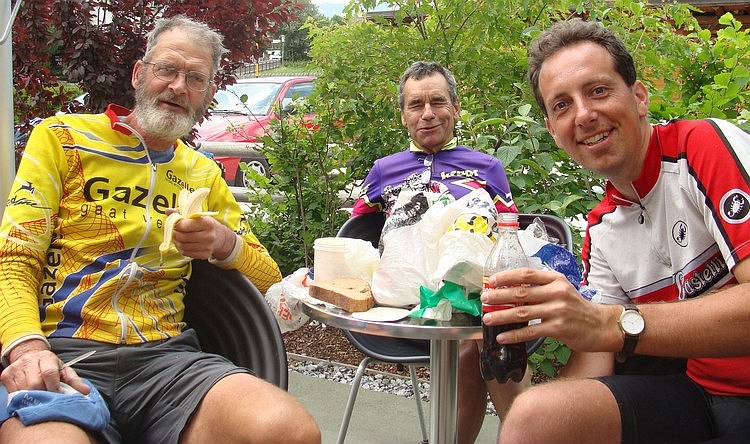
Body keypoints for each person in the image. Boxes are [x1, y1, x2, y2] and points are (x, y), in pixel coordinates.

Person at [0, 15, 321, 444]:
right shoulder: (61, 139)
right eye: (167, 69)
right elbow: (16, 257)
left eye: (195, 78)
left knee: (290, 432)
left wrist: (226, 245)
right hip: (66, 354)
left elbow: (269, 281)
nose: (177, 87)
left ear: (207, 95)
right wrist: (27, 348)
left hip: (168, 360)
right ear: (139, 74)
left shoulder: (203, 174)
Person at [482, 18, 750, 443]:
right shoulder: (601, 229)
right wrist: (507, 364)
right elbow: (595, 359)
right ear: (553, 131)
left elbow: (607, 327)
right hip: (700, 394)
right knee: (534, 416)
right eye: (562, 105)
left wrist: (613, 323)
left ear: (639, 97)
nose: (585, 115)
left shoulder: (701, 147)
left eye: (599, 91)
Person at [352, 61, 523, 444]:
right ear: (403, 116)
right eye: (416, 105)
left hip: (472, 308)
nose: (427, 114)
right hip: (400, 311)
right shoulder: (383, 170)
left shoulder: (487, 167)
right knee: (481, 341)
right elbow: (353, 238)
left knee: (483, 340)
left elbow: (512, 239)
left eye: (437, 102)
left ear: (456, 108)